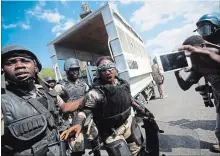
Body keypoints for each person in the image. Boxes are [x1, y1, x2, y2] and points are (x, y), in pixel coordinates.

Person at [60, 56, 160, 156]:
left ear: (115, 68)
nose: (107, 72)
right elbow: (85, 110)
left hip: (128, 124)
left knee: (139, 152)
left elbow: (131, 100)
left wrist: (146, 114)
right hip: (111, 133)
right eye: (103, 69)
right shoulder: (95, 93)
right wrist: (78, 123)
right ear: (99, 72)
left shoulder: (123, 84)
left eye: (110, 67)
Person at [1, 44, 64, 156]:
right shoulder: (3, 103)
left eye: (25, 61)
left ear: (35, 67)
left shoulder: (46, 92)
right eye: (10, 62)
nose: (19, 65)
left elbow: (64, 107)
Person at [175, 35, 220, 153]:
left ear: (203, 46)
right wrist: (177, 74)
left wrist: (209, 54)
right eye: (190, 52)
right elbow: (185, 86)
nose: (194, 55)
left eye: (194, 50)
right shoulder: (199, 67)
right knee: (219, 131)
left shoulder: (216, 54)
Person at [56, 58, 101, 156]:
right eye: (72, 70)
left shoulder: (83, 84)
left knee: (95, 140)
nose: (75, 72)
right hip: (71, 120)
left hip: (86, 117)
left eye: (77, 69)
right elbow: (62, 107)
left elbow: (91, 101)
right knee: (77, 147)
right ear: (67, 70)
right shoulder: (60, 87)